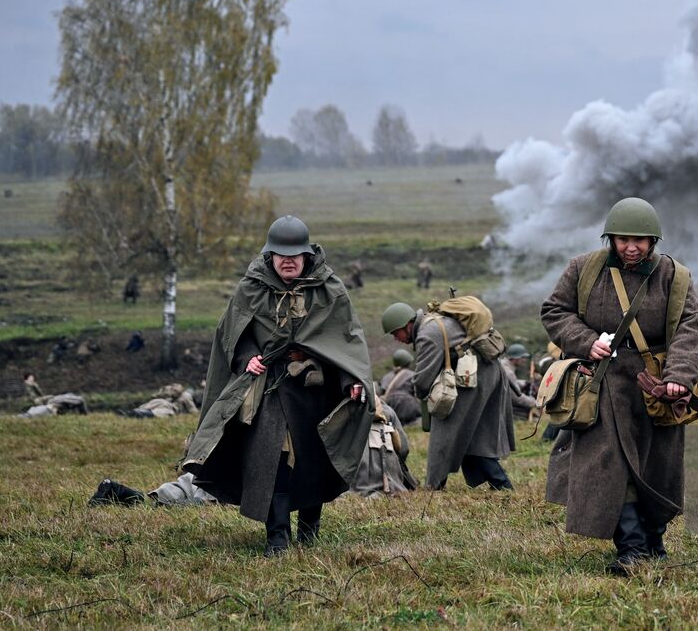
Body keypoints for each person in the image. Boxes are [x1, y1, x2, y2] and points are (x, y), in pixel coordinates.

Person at [182, 215, 374, 557]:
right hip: (269, 388)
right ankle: (277, 538)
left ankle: (309, 532)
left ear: (306, 255)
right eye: (281, 255)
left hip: (315, 390)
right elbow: (232, 333)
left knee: (313, 461)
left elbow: (345, 338)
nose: (288, 261)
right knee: (274, 460)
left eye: (294, 255)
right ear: (270, 255)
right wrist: (248, 357)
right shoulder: (251, 288)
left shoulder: (328, 288)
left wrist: (351, 380)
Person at [541, 197, 698, 575]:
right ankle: (631, 548)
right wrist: (586, 342)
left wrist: (678, 378)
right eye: (623, 239)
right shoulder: (583, 269)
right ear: (611, 239)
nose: (631, 247)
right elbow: (554, 311)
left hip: (657, 388)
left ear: (653, 241)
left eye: (639, 240)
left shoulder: (675, 277)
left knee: (657, 469)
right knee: (612, 466)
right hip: (603, 383)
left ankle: (653, 542)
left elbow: (693, 328)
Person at [390, 297, 515, 491]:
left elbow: (423, 379)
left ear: (406, 325)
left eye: (395, 333)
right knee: (472, 433)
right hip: (483, 371)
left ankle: (434, 486)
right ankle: (500, 484)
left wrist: (421, 394)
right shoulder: (434, 321)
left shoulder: (427, 334)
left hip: (474, 376)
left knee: (446, 432)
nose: (396, 339)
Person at [376, 340, 422, 426]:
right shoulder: (412, 375)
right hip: (408, 404)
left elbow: (381, 392)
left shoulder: (386, 377)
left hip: (390, 404)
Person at [501, 342, 540, 423]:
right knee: (534, 418)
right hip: (503, 407)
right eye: (522, 357)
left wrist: (524, 383)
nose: (524, 360)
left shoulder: (503, 365)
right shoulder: (508, 372)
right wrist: (534, 402)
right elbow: (517, 398)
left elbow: (511, 383)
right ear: (515, 358)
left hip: (499, 403)